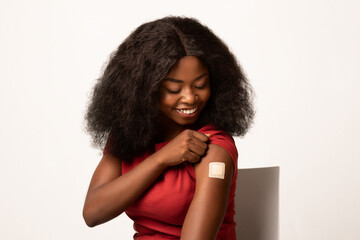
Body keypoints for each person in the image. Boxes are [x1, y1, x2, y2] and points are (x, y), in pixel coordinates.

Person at [83, 16, 254, 240]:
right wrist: (161, 158)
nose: (190, 98)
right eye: (174, 89)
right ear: (144, 89)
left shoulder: (213, 151)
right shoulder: (129, 135)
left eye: (201, 85)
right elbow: (92, 213)